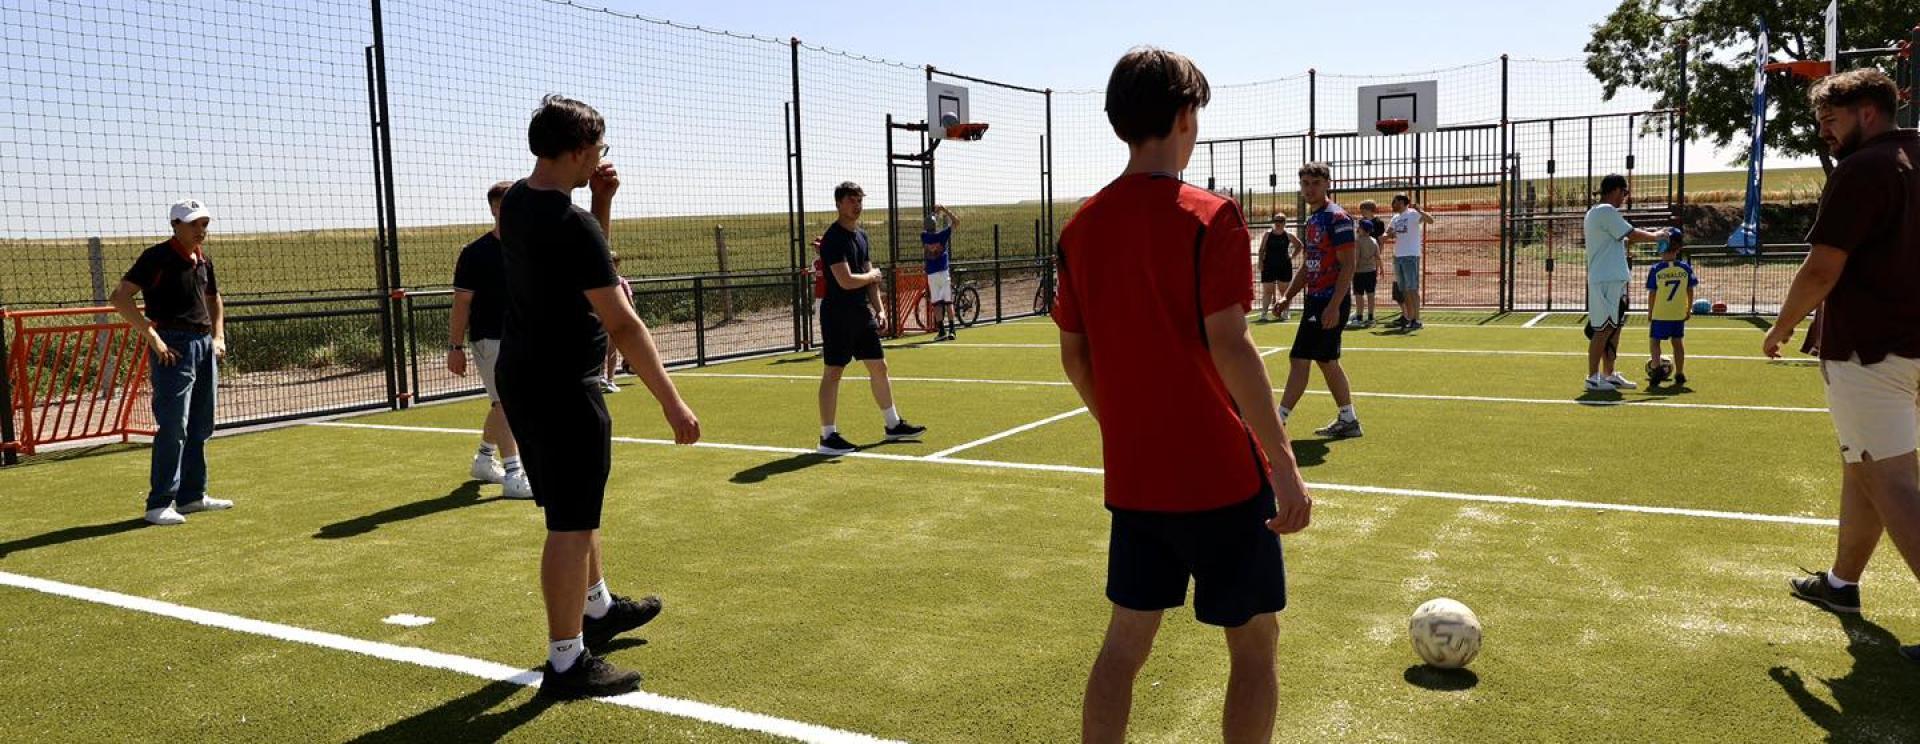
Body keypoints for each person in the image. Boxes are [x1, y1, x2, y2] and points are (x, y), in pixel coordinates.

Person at [1057, 47, 1312, 744]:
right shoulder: (1209, 216)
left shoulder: (1080, 228)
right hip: (1222, 480)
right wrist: (1283, 464)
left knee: (1124, 646)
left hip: (1137, 480)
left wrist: (1123, 425)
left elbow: (1074, 355)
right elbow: (1231, 345)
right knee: (1255, 646)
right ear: (1183, 117)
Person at [496, 95, 702, 698]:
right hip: (564, 384)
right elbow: (623, 322)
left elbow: (580, 269)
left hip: (526, 376)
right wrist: (672, 401)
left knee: (577, 508)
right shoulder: (571, 222)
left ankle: (598, 608)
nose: (600, 160)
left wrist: (600, 205)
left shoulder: (516, 205)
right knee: (568, 521)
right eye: (598, 151)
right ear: (580, 150)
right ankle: (565, 662)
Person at [1761, 69, 1920, 665]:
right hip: (1909, 341)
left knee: (1890, 477)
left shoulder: (1864, 170)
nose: (1824, 131)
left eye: (1833, 119)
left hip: (1871, 348)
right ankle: (1841, 583)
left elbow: (1823, 268)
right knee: (1863, 464)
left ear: (1869, 113)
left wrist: (1782, 326)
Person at [109, 200, 233, 526]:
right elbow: (120, 297)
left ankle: (192, 496)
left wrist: (218, 336)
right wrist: (154, 338)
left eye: (204, 223)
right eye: (194, 224)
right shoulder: (157, 257)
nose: (201, 229)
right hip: (173, 347)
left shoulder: (203, 260)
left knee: (201, 424)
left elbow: (214, 299)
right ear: (175, 224)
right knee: (173, 425)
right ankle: (159, 503)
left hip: (203, 345)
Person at [815, 181, 928, 455]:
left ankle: (893, 425)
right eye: (851, 200)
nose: (857, 205)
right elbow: (846, 280)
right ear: (839, 204)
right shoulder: (833, 239)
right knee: (834, 372)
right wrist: (872, 276)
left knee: (879, 367)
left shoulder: (862, 237)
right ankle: (828, 437)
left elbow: (869, 280)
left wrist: (880, 309)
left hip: (860, 314)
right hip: (837, 315)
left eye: (860, 200)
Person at [448, 180, 532, 500]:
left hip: (524, 339)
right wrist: (455, 348)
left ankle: (484, 460)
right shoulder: (474, 253)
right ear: (494, 209)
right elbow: (461, 303)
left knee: (503, 403)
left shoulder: (527, 248)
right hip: (489, 340)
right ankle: (514, 474)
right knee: (507, 403)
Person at [1277, 162, 1363, 439]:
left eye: (1315, 183)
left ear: (1327, 184)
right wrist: (1288, 296)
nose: (1309, 189)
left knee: (1301, 358)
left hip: (1328, 302)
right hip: (1316, 301)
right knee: (1324, 361)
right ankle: (1348, 419)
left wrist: (1335, 305)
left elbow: (1348, 265)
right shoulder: (1314, 219)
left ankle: (1278, 420)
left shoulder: (1337, 218)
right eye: (1305, 184)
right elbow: (1308, 265)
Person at [1582, 173, 1669, 392]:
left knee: (1615, 328)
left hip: (1614, 279)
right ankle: (1593, 377)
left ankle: (1609, 374)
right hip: (1605, 280)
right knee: (1603, 329)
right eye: (1624, 192)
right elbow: (1631, 234)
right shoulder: (1604, 211)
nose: (1625, 197)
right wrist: (1657, 235)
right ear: (1615, 190)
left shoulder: (1602, 213)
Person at [1644, 237, 1696, 388]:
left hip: (1661, 313)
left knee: (1655, 341)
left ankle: (1656, 370)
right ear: (1678, 249)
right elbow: (1690, 290)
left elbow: (1652, 293)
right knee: (1677, 342)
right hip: (1678, 312)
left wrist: (1650, 311)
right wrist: (1688, 308)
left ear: (1660, 249)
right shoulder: (1685, 268)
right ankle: (1679, 373)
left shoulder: (1656, 269)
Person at [1384, 194, 1432, 330]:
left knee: (1412, 289)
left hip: (1410, 256)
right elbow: (1388, 233)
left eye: (1394, 202)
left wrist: (1420, 210)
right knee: (1404, 290)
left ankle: (1416, 319)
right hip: (1398, 256)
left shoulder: (1412, 214)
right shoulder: (1395, 217)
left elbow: (1430, 220)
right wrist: (1384, 237)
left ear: (1401, 202)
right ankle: (1410, 319)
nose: (1392, 204)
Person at [922, 205, 962, 341]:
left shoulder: (924, 236)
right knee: (948, 302)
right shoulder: (942, 235)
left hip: (932, 274)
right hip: (943, 273)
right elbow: (956, 222)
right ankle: (952, 330)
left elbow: (928, 223)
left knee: (936, 304)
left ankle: (941, 331)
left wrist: (934, 213)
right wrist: (944, 210)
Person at [1258, 212, 1303, 322]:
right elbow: (1261, 250)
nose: (1278, 223)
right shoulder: (1268, 234)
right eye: (1276, 220)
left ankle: (1286, 312)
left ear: (1285, 222)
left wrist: (1292, 257)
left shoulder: (1288, 235)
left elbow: (1300, 245)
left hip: (1284, 266)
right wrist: (1260, 262)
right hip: (1268, 265)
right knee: (1267, 290)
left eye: (1281, 220)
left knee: (1284, 291)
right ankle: (1264, 314)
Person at [1347, 200, 1384, 328]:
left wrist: (1352, 271)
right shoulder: (1374, 241)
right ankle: (1371, 317)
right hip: (1371, 271)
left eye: (1359, 227)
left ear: (1362, 229)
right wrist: (1381, 269)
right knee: (1371, 294)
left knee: (1359, 295)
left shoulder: (1358, 242)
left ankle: (1359, 316)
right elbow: (1378, 257)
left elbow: (1356, 258)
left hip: (1359, 272)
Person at [600, 252, 633, 393]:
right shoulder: (603, 281)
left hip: (614, 320)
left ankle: (610, 379)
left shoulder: (621, 282)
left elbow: (630, 302)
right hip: (603, 319)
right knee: (602, 350)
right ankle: (602, 378)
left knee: (611, 351)